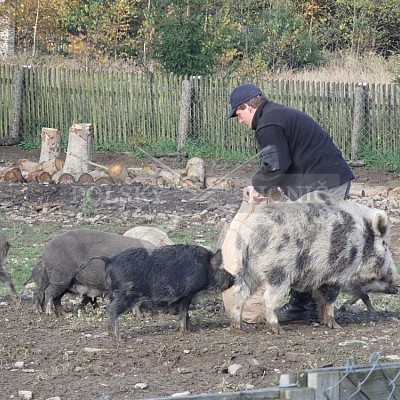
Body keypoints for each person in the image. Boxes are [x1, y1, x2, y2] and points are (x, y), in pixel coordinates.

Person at [227, 83, 355, 323]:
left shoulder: (268, 123)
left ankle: (305, 307)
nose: (239, 120)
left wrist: (257, 185)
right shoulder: (274, 116)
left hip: (325, 183)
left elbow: (276, 166)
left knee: (313, 243)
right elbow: (279, 163)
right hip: (325, 178)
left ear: (247, 106)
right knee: (312, 242)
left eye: (238, 114)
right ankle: (310, 305)